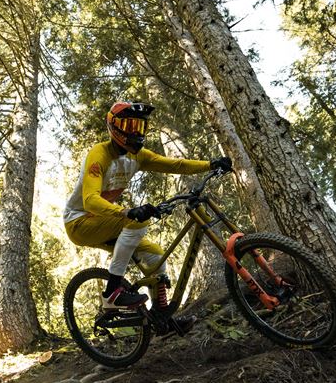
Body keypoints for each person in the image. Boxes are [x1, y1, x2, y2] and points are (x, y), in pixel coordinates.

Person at [63, 101, 231, 332]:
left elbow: (176, 164)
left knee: (155, 256)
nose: (135, 132)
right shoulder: (99, 154)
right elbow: (90, 200)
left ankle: (162, 318)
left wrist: (210, 164)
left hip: (104, 223)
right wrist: (127, 212)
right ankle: (112, 292)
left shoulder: (138, 156)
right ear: (114, 127)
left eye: (140, 127)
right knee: (136, 220)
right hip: (79, 222)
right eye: (129, 126)